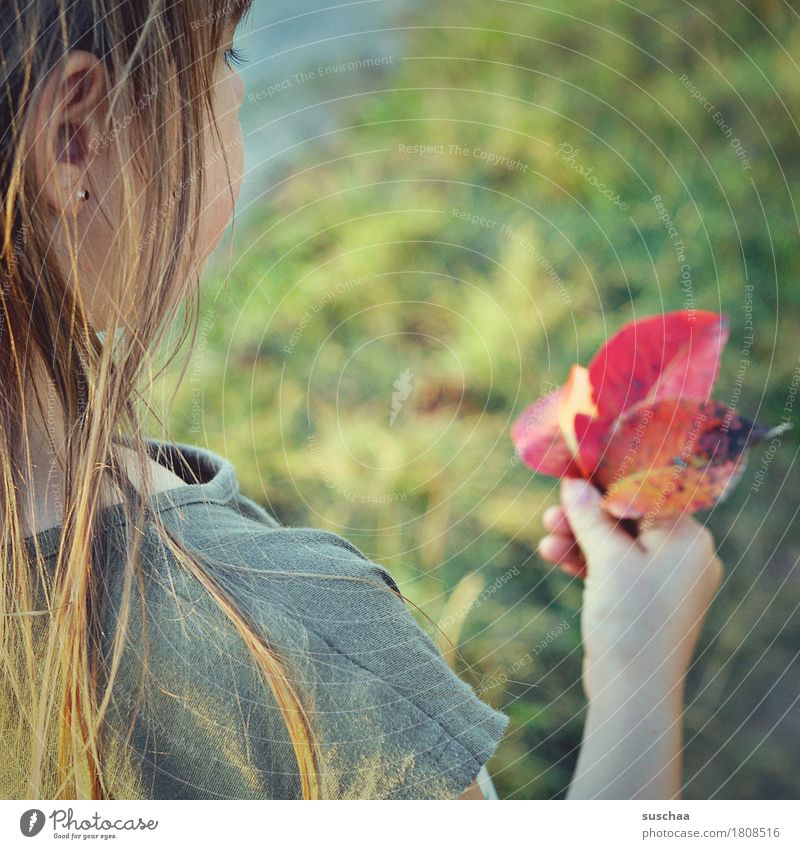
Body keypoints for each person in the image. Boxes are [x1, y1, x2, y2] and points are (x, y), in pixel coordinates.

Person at [0, 0, 723, 800]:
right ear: (75, 138)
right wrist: (638, 667)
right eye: (225, 61)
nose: (237, 91)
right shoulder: (302, 644)